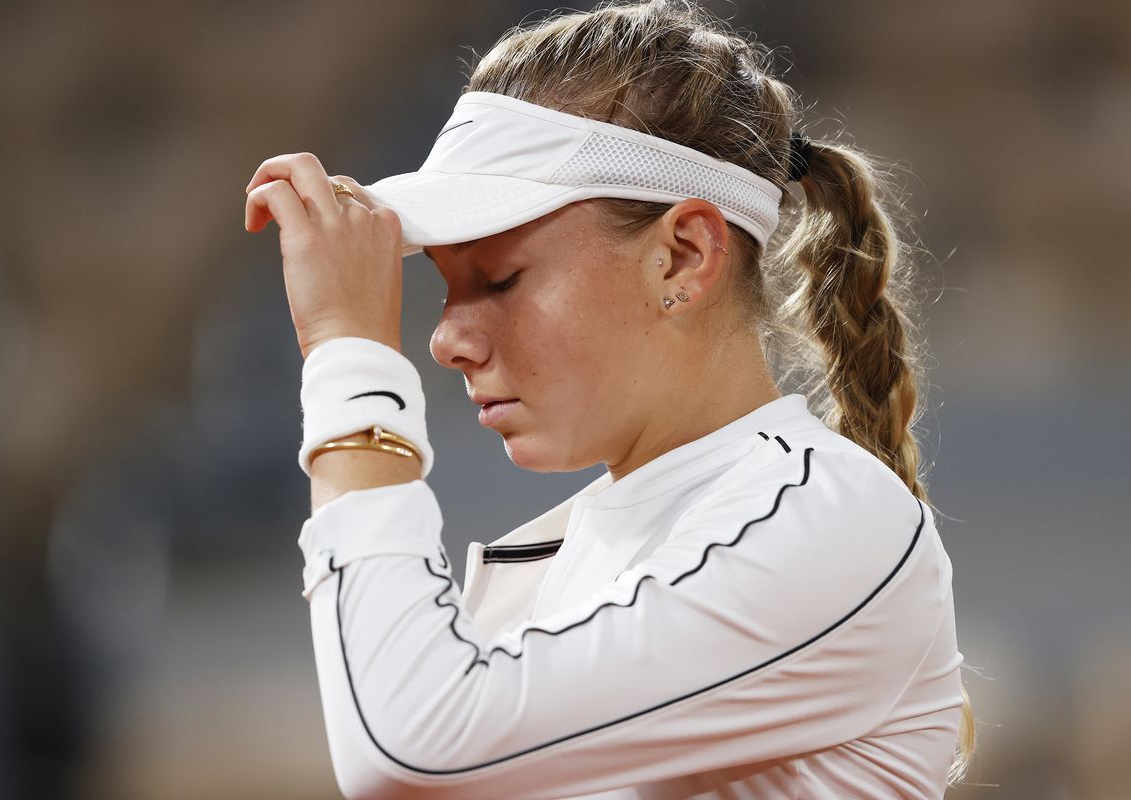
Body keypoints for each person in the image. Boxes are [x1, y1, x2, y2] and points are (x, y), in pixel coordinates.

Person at [243, 1, 973, 796]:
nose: (447, 339)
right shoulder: (571, 549)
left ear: (683, 257)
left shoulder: (832, 515)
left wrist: (348, 356)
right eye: (449, 286)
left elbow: (412, 746)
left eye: (500, 280)